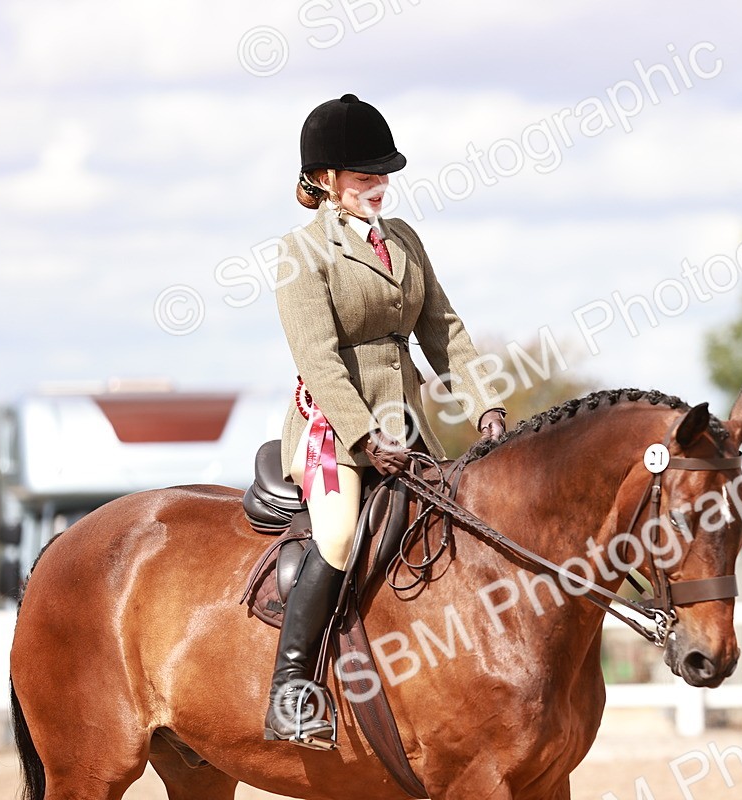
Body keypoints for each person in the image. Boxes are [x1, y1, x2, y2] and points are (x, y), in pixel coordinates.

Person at [265, 94, 507, 746]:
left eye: (383, 173)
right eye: (363, 175)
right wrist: (365, 436)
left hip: (406, 427)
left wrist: (485, 405)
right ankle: (290, 688)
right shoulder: (300, 252)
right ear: (324, 179)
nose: (379, 185)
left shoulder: (403, 241)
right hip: (334, 432)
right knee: (340, 534)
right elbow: (317, 359)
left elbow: (444, 330)